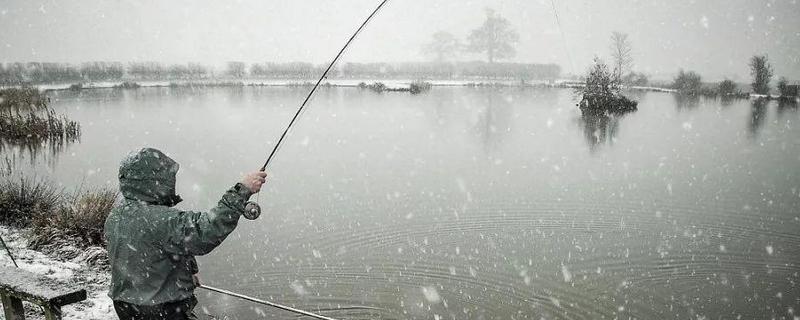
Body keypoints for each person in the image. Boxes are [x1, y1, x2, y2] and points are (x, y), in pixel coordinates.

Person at [104, 148, 267, 319]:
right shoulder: (161, 219)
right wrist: (242, 190)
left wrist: (188, 271)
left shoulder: (117, 214)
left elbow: (152, 250)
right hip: (161, 309)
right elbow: (205, 231)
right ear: (154, 181)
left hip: (126, 305)